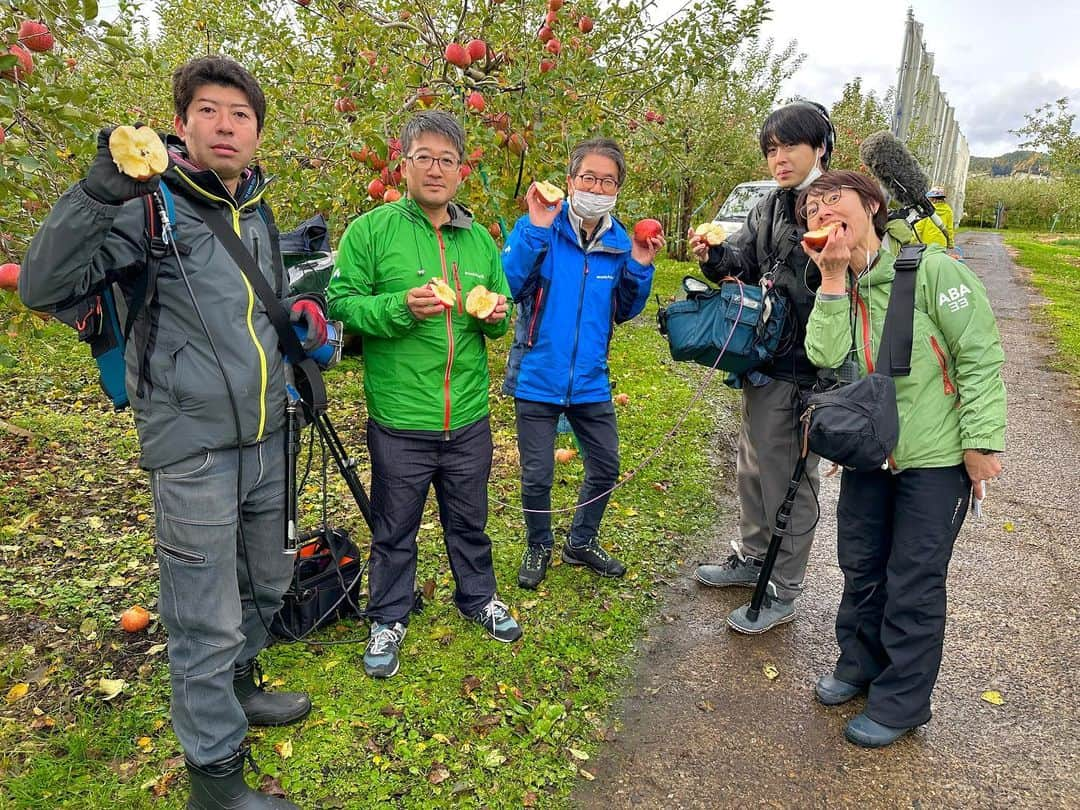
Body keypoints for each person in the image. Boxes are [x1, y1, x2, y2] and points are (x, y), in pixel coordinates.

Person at [19, 57, 320, 809]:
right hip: (192, 447)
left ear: (257, 133)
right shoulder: (146, 208)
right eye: (210, 111)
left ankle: (239, 686)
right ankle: (214, 779)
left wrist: (309, 335)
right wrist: (98, 192)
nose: (226, 125)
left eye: (241, 115)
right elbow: (42, 286)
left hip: (267, 436)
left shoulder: (256, 206)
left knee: (268, 580)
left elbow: (260, 312)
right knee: (203, 614)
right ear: (181, 123)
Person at [798, 170, 1005, 747]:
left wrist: (981, 444)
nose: (820, 211)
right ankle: (858, 665)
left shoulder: (933, 271)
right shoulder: (840, 281)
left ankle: (902, 701)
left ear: (871, 207)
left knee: (913, 578)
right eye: (812, 207)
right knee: (861, 565)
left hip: (934, 457)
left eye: (832, 200)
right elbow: (825, 354)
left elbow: (980, 356)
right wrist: (833, 281)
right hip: (871, 455)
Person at [327, 110, 521, 680]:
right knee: (394, 527)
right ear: (404, 165)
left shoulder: (481, 240)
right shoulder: (371, 231)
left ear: (460, 171)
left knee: (470, 518)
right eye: (424, 158)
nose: (436, 169)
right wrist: (397, 308)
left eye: (447, 160)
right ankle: (388, 615)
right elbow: (342, 304)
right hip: (401, 416)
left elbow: (496, 318)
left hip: (466, 414)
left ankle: (477, 597)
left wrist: (494, 316)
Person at [690, 101, 841, 634]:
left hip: (806, 367)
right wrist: (714, 258)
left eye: (789, 146)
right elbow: (746, 262)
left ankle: (784, 586)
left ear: (820, 146)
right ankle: (754, 558)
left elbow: (850, 284)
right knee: (753, 467)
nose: (779, 158)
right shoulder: (774, 205)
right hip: (763, 360)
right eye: (771, 149)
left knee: (791, 481)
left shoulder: (836, 203)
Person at [501, 138, 661, 589]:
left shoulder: (619, 241)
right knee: (537, 475)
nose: (597, 186)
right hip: (538, 374)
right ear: (571, 181)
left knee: (606, 466)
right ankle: (539, 543)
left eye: (607, 180)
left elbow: (625, 309)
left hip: (591, 379)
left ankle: (581, 541)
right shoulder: (541, 228)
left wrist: (642, 266)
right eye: (588, 177)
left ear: (617, 190)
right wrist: (534, 227)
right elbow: (509, 284)